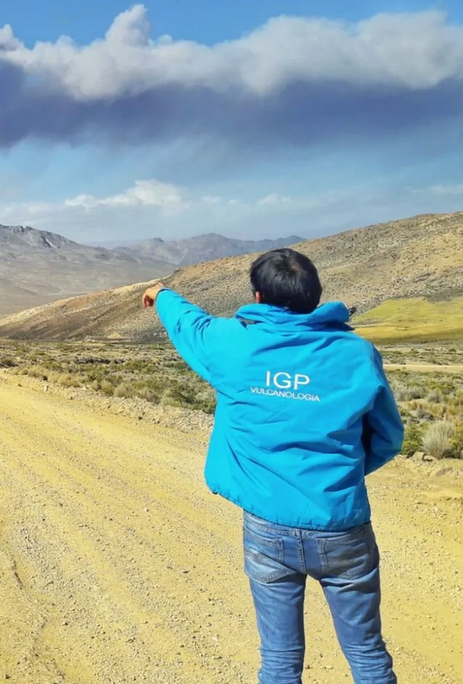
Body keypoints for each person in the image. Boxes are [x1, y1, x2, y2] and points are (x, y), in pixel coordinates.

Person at [141, 248, 403, 684]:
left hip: (267, 528)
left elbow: (190, 323)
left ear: (258, 295)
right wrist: (341, 474)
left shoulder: (232, 345)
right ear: (315, 295)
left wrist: (161, 292)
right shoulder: (357, 354)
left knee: (279, 660)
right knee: (367, 654)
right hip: (342, 526)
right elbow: (388, 437)